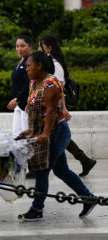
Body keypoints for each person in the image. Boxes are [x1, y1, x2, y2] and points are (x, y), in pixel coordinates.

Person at [17, 52, 96, 221]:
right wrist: (30, 131)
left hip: (57, 133)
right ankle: (88, 198)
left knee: (42, 170)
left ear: (39, 66)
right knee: (62, 171)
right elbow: (36, 110)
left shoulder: (51, 83)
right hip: (44, 132)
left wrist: (45, 133)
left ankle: (37, 209)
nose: (26, 69)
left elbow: (52, 111)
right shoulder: (34, 82)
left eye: (29, 65)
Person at [38, 34, 96, 177]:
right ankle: (84, 160)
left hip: (55, 107)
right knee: (57, 135)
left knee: (56, 134)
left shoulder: (55, 66)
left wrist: (63, 109)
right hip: (51, 107)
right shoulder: (50, 64)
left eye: (41, 46)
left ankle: (81, 160)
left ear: (49, 48)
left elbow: (59, 88)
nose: (38, 49)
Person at [7, 31, 33, 139]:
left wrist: (17, 99)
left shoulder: (30, 62)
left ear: (30, 46)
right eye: (17, 46)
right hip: (19, 105)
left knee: (25, 136)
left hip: (26, 105)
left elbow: (29, 84)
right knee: (16, 136)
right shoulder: (21, 62)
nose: (19, 49)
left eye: (22, 46)